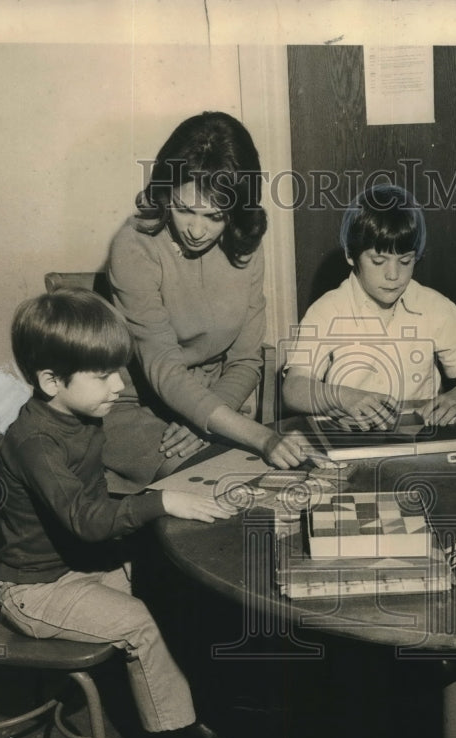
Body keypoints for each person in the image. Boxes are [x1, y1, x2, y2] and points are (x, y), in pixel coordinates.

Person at [0, 289, 248, 738]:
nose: (118, 386)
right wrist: (160, 500)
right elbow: (89, 522)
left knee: (173, 584)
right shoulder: (35, 442)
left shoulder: (80, 414)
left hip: (76, 566)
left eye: (119, 370)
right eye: (103, 375)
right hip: (35, 590)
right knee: (141, 624)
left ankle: (195, 713)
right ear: (51, 380)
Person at [103, 111, 310, 487]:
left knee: (270, 484)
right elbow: (163, 370)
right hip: (136, 406)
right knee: (216, 483)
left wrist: (207, 418)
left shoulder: (246, 245)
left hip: (218, 402)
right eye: (183, 210)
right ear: (166, 192)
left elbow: (246, 360)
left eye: (215, 216)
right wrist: (260, 436)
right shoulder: (133, 246)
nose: (197, 230)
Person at [282, 184, 456, 429]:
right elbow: (294, 389)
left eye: (405, 261)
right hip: (351, 437)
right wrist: (344, 397)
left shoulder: (436, 307)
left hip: (417, 437)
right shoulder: (327, 310)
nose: (393, 275)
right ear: (351, 256)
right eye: (378, 261)